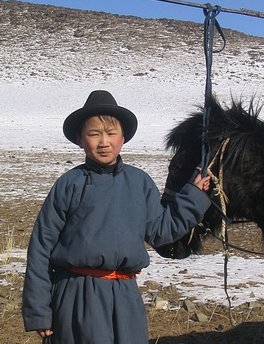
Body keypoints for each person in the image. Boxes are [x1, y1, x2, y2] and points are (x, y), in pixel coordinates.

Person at [22, 90, 211, 344]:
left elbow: (162, 230)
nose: (103, 142)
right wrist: (39, 312)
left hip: (125, 298)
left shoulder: (139, 182)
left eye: (111, 133)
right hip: (77, 296)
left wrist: (194, 197)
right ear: (80, 139)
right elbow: (41, 249)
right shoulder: (68, 184)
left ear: (123, 138)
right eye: (93, 134)